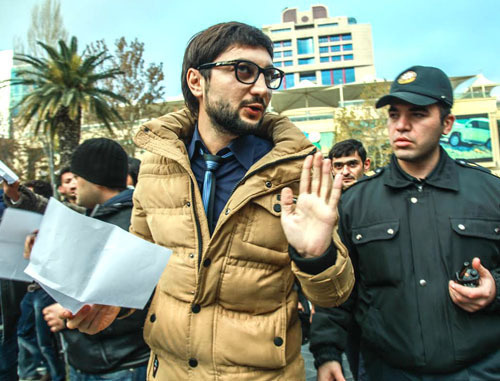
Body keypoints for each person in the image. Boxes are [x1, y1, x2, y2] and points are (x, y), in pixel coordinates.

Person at [61, 22, 355, 380]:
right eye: (244, 71)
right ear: (197, 82)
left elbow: (335, 293)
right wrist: (110, 302)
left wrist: (315, 256)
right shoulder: (157, 163)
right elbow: (138, 261)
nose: (262, 88)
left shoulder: (298, 171)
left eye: (269, 75)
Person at [310, 65, 500, 380]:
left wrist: (496, 289)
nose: (402, 126)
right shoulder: (356, 203)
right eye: (394, 115)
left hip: (480, 369)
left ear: (447, 123)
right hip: (387, 370)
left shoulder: (489, 193)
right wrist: (327, 352)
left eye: (418, 114)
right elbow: (338, 291)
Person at [3, 138, 151, 380]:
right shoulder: (100, 216)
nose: (73, 185)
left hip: (119, 365)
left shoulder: (128, 225)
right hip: (100, 360)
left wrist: (70, 313)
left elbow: (131, 300)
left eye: (76, 177)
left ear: (92, 178)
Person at [16, 180, 66, 381]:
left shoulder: (57, 222)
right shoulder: (27, 225)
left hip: (47, 289)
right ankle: (41, 368)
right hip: (31, 288)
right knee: (24, 332)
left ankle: (56, 375)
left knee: (46, 341)